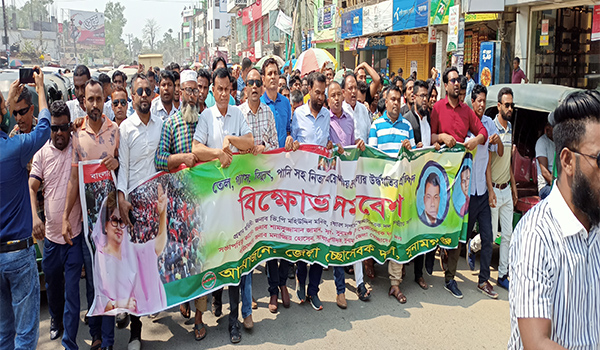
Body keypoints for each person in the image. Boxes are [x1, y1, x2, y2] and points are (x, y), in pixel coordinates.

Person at [508, 90, 600, 350]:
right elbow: (537, 343)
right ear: (568, 161)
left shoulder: (596, 222)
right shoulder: (536, 236)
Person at [192, 67, 254, 344]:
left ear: (232, 89)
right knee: (214, 255)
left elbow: (250, 143)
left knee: (235, 260)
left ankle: (233, 320)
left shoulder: (238, 114)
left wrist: (231, 140)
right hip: (212, 201)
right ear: (213, 90)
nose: (223, 93)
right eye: (218, 89)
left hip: (236, 201)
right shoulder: (206, 116)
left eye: (227, 89)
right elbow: (195, 148)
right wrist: (218, 152)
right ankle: (212, 304)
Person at [62, 78, 119, 350]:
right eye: (90, 99)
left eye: (99, 99)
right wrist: (64, 216)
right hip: (87, 226)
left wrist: (116, 162)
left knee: (108, 281)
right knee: (93, 283)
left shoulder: (115, 131)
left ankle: (108, 340)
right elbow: (74, 179)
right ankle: (95, 334)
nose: (95, 104)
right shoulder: (77, 136)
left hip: (112, 223)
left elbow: (124, 170)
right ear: (83, 101)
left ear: (104, 100)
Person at [155, 70, 209, 342]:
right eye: (187, 90)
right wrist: (182, 158)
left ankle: (200, 317)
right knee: (181, 259)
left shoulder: (207, 120)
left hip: (206, 203)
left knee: (202, 260)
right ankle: (184, 298)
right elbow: (160, 160)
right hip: (178, 208)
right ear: (179, 93)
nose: (191, 95)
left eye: (195, 90)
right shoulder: (171, 123)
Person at [0, 66, 49, 350]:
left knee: (4, 332)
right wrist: (40, 89)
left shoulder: (12, 145)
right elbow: (44, 128)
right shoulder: (14, 149)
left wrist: (6, 103)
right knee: (26, 333)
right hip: (17, 252)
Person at [430, 66, 488, 299]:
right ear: (445, 84)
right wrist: (441, 137)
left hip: (461, 179)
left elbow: (482, 131)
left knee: (455, 225)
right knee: (432, 220)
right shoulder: (436, 109)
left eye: (459, 80)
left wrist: (476, 140)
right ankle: (424, 269)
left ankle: (450, 277)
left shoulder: (466, 111)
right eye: (452, 80)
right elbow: (430, 138)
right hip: (436, 178)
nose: (456, 83)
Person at [116, 73, 164, 349]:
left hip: (156, 207)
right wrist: (122, 198)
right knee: (134, 269)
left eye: (148, 91)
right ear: (132, 97)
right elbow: (122, 168)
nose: (144, 95)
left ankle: (154, 303)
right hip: (134, 207)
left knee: (155, 263)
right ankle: (136, 331)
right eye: (139, 92)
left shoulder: (161, 125)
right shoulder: (126, 129)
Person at [28, 101, 81, 349]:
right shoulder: (41, 154)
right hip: (50, 239)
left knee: (72, 291)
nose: (59, 133)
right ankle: (55, 321)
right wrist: (35, 218)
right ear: (50, 129)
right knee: (53, 286)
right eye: (55, 128)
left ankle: (69, 342)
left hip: (75, 236)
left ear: (70, 127)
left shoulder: (78, 148)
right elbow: (32, 186)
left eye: (63, 128)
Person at [238, 67, 279, 328]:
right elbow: (230, 146)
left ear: (263, 86)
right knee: (246, 242)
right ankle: (248, 297)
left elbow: (275, 147)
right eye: (250, 82)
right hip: (242, 189)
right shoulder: (237, 114)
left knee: (266, 238)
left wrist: (264, 148)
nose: (254, 86)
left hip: (264, 186)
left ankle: (274, 290)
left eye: (257, 82)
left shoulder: (269, 113)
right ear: (245, 87)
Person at [368, 84, 414, 304]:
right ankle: (371, 265)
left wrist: (409, 149)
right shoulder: (376, 126)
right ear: (385, 102)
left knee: (398, 233)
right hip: (382, 189)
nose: (396, 103)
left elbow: (413, 157)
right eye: (392, 99)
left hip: (402, 190)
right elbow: (373, 157)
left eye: (399, 99)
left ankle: (395, 283)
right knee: (379, 230)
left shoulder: (407, 127)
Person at [289, 72, 329, 311]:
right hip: (303, 188)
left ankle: (314, 290)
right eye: (317, 92)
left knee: (320, 240)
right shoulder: (298, 115)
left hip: (323, 189)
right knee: (305, 239)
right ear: (309, 91)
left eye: (323, 93)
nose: (321, 97)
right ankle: (300, 280)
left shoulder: (327, 117)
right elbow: (292, 145)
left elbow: (331, 146)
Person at [327, 80, 370, 308]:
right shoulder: (326, 120)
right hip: (331, 187)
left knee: (354, 233)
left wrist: (358, 145)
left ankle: (360, 282)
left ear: (343, 97)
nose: (336, 99)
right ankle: (340, 288)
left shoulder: (350, 120)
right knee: (337, 239)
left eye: (338, 95)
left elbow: (354, 148)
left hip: (350, 185)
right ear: (328, 98)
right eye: (332, 95)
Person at [92, 189, 168, 315]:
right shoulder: (101, 256)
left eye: (122, 222)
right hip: (111, 321)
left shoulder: (132, 250)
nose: (119, 227)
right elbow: (100, 298)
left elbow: (157, 246)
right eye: (115, 220)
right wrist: (118, 304)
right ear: (105, 225)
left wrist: (162, 214)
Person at [463, 84, 503, 299]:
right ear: (472, 101)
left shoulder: (488, 124)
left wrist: (490, 190)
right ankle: (450, 274)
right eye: (478, 100)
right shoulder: (465, 124)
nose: (481, 104)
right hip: (467, 193)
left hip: (482, 193)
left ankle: (483, 280)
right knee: (462, 236)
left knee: (488, 237)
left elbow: (494, 155)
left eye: (484, 101)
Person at [489, 87, 518, 291]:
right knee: (490, 235)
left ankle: (502, 274)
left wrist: (514, 187)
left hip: (506, 188)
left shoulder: (510, 129)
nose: (510, 108)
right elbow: (488, 162)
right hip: (494, 190)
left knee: (507, 235)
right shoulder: (492, 128)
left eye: (511, 105)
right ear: (498, 106)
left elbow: (507, 161)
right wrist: (490, 189)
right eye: (506, 105)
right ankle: (473, 247)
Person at [341, 73, 371, 144]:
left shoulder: (363, 109)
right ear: (343, 92)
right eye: (350, 88)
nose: (354, 91)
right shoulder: (340, 110)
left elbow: (369, 134)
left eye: (355, 88)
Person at [536, 122, 555, 199]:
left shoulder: (558, 143)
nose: (548, 129)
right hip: (545, 186)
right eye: (548, 127)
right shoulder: (541, 142)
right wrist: (558, 186)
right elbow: (545, 172)